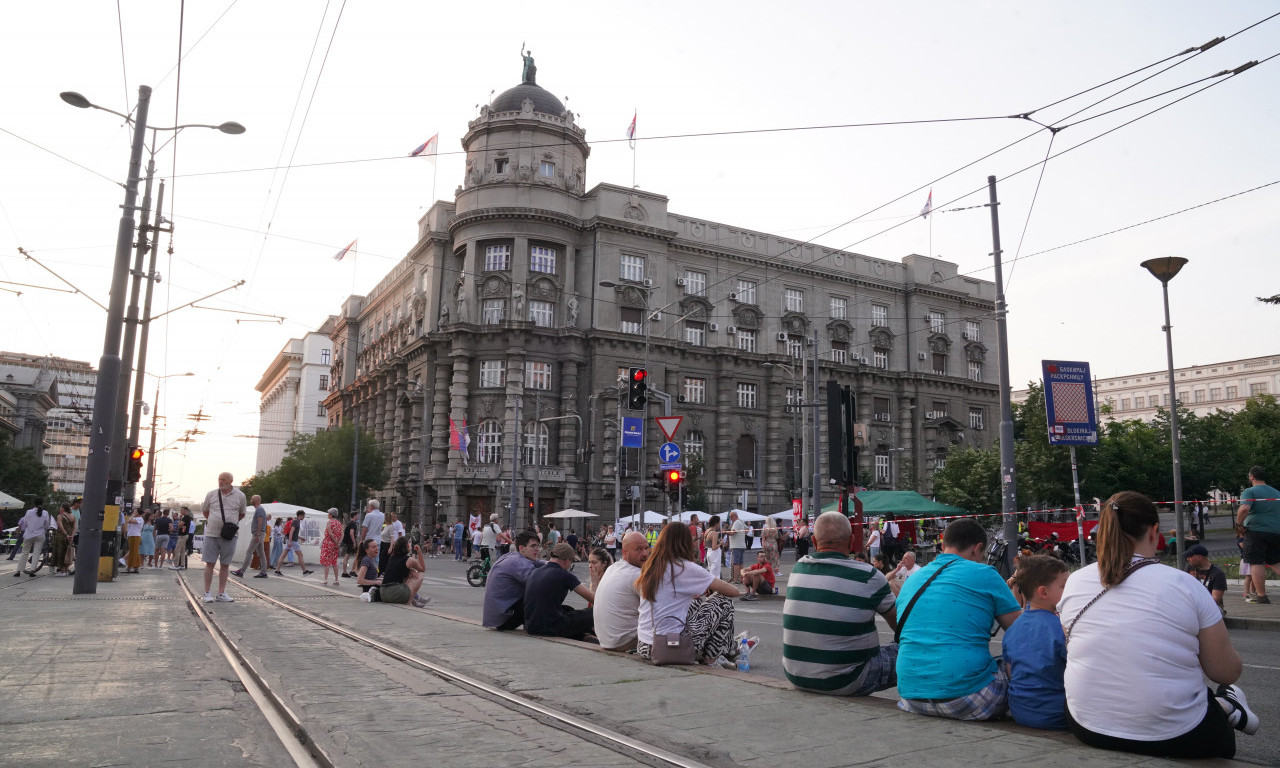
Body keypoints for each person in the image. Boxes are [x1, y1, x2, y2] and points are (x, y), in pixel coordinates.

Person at [1059, 491, 1258, 758]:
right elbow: (1226, 673)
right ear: (1154, 532)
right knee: (1221, 693)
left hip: (1088, 726)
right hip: (1177, 735)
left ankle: (1226, 704)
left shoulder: (1074, 581)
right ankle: (1229, 705)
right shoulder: (1184, 584)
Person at [896, 518, 1021, 721]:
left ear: (943, 545)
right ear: (978, 548)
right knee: (1015, 663)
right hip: (967, 699)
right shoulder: (985, 573)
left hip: (911, 697)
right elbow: (1021, 631)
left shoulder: (913, 579)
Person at [783, 511, 899, 696]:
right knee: (917, 648)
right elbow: (901, 628)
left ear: (813, 541)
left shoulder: (799, 568)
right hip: (848, 679)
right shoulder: (868, 575)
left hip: (797, 676)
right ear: (852, 541)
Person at [636, 521, 741, 667]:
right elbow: (733, 592)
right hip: (669, 647)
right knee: (723, 602)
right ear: (685, 543)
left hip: (645, 645)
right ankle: (712, 657)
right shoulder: (684, 567)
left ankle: (728, 649)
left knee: (696, 601)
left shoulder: (651, 566)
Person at [1001, 554, 1069, 730]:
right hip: (1056, 714)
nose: (1070, 590)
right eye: (1064, 586)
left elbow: (1011, 671)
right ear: (1043, 592)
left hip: (1020, 712)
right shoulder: (1059, 628)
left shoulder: (1013, 628)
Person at [524, 542, 595, 640]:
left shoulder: (536, 571)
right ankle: (593, 634)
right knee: (593, 612)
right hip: (552, 626)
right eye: (571, 562)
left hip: (531, 626)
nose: (570, 565)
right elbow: (593, 599)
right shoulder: (565, 575)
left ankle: (584, 635)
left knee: (568, 609)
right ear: (566, 560)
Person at [594, 532, 651, 651]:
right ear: (625, 553)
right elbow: (657, 609)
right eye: (638, 549)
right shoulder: (637, 575)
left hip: (606, 640)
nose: (645, 554)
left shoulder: (612, 568)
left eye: (646, 548)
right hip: (625, 641)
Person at [482, 531, 545, 630]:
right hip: (504, 620)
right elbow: (539, 582)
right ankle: (535, 626)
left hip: (495, 618)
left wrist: (552, 564)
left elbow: (538, 562)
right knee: (538, 591)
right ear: (521, 548)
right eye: (533, 546)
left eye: (538, 546)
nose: (537, 549)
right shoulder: (519, 563)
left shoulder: (511, 556)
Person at [199, 472, 247, 603]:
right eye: (219, 479)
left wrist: (230, 525)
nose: (220, 482)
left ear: (231, 481)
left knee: (225, 564)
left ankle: (221, 593)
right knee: (210, 563)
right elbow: (205, 511)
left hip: (229, 535)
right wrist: (215, 521)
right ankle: (207, 592)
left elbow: (242, 513)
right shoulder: (211, 494)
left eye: (223, 480)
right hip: (212, 534)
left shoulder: (240, 496)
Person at [1236, 465, 1280, 605]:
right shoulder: (1276, 492)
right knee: (1275, 561)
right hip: (1276, 531)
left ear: (1251, 477)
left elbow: (1244, 508)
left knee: (1256, 562)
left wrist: (1238, 524)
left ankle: (1261, 596)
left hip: (1256, 531)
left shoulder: (1250, 491)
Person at [380, 536, 430, 607]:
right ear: (407, 546)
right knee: (419, 575)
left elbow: (398, 569)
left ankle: (415, 600)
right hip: (393, 593)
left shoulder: (392, 557)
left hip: (383, 593)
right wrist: (419, 552)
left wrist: (410, 570)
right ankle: (409, 602)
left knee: (409, 574)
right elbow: (422, 569)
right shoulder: (409, 560)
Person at [232, 495, 270, 580]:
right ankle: (264, 572)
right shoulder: (260, 509)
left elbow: (260, 522)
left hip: (258, 534)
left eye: (252, 499)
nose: (251, 500)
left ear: (256, 500)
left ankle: (242, 571)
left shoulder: (259, 510)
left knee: (249, 552)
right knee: (261, 554)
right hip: (261, 534)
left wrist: (257, 534)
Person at [1185, 543, 1227, 612]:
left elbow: (1215, 599)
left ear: (1199, 557)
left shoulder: (1217, 573)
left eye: (1190, 557)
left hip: (1212, 607)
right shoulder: (1189, 568)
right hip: (1191, 605)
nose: (1188, 559)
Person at [274, 510, 314, 577]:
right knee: (300, 555)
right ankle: (304, 571)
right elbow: (292, 531)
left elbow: (292, 533)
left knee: (283, 555)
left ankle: (277, 571)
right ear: (300, 515)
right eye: (303, 516)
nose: (304, 517)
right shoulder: (296, 522)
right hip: (292, 541)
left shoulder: (295, 521)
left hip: (290, 540)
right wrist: (290, 541)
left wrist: (300, 538)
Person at [320, 508, 343, 586]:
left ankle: (325, 580)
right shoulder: (339, 523)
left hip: (328, 543)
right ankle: (336, 580)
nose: (328, 515)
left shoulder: (329, 522)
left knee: (327, 562)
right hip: (336, 545)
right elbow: (342, 534)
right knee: (334, 562)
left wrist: (335, 541)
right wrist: (338, 542)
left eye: (329, 513)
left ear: (331, 515)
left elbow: (330, 533)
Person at [51, 502, 75, 576]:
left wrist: (66, 534)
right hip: (70, 537)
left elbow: (61, 527)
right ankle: (66, 571)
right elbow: (75, 528)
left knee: (61, 553)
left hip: (61, 537)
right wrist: (71, 536)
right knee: (67, 553)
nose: (60, 508)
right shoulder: (73, 516)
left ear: (63, 508)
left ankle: (62, 572)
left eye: (60, 507)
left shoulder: (60, 516)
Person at [727, 511, 748, 583]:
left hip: (736, 545)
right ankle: (742, 579)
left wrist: (726, 532)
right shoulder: (741, 521)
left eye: (731, 516)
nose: (730, 518)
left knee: (735, 563)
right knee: (740, 563)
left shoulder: (736, 522)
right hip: (742, 545)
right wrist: (742, 535)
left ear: (735, 516)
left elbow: (732, 533)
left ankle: (735, 579)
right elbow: (747, 529)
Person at [124, 508, 144, 574]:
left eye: (135, 511)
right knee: (132, 551)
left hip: (135, 536)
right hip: (131, 535)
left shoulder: (140, 519)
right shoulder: (135, 518)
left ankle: (131, 566)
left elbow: (129, 521)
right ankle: (135, 566)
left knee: (134, 551)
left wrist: (133, 515)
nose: (134, 512)